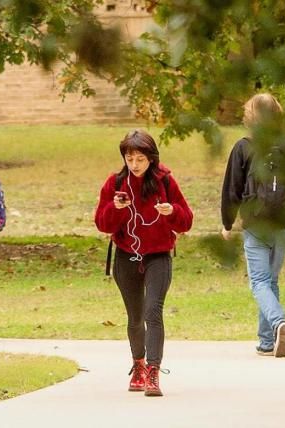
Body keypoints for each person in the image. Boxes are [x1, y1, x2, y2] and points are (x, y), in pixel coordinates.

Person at [95, 129, 193, 397]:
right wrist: (114, 208)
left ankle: (153, 371)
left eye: (140, 158)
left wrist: (172, 211)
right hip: (127, 255)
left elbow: (186, 221)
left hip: (158, 255)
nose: (135, 165)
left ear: (151, 158)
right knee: (136, 317)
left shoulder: (166, 182)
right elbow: (102, 224)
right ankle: (137, 364)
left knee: (153, 312)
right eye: (130, 159)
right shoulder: (115, 184)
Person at [220, 93, 285, 358]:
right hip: (282, 224)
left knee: (259, 281)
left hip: (255, 224)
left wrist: (227, 223)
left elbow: (232, 188)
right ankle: (266, 342)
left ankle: (279, 322)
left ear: (250, 116)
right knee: (270, 280)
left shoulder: (244, 146)